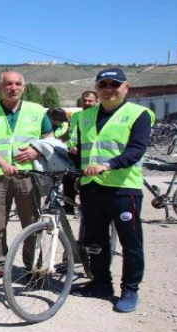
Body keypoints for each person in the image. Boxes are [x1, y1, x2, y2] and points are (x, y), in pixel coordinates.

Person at [69, 68, 154, 313]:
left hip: (123, 188)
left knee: (131, 242)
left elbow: (136, 150)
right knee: (95, 240)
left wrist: (107, 165)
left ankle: (130, 289)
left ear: (125, 88)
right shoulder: (84, 117)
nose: (108, 89)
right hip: (91, 188)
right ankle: (101, 283)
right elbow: (81, 151)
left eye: (114, 84)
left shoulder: (139, 114)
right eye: (103, 84)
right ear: (96, 88)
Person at [0, 71, 54, 284]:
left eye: (17, 83)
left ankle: (33, 269)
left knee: (30, 224)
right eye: (8, 83)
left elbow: (50, 140)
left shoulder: (37, 111)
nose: (13, 87)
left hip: (28, 176)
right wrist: (4, 165)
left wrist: (36, 151)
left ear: (24, 87)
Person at [64, 91, 100, 214]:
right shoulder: (76, 116)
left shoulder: (99, 116)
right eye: (84, 100)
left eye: (90, 101)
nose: (87, 103)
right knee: (68, 178)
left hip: (91, 154)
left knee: (88, 180)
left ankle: (87, 206)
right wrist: (71, 145)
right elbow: (71, 133)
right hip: (76, 152)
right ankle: (69, 206)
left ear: (96, 102)